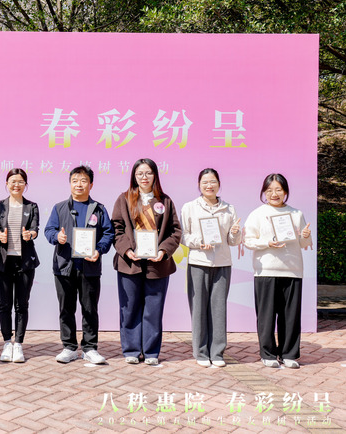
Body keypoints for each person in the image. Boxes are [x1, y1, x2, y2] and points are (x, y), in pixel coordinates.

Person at [111, 158, 181, 366]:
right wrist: (126, 249)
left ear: (155, 176)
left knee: (153, 310)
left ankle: (151, 352)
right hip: (129, 263)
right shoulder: (124, 199)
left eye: (148, 173)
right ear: (134, 176)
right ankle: (131, 350)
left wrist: (163, 251)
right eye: (140, 173)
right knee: (129, 309)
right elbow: (117, 228)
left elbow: (175, 231)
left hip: (157, 264)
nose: (144, 177)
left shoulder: (165, 201)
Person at [44, 165, 114, 364]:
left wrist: (99, 250)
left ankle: (90, 348)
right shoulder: (59, 207)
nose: (79, 184)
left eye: (83, 181)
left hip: (89, 267)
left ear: (91, 184)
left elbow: (108, 233)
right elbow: (49, 230)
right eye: (75, 181)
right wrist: (57, 237)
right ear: (70, 184)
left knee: (89, 309)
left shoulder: (99, 209)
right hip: (64, 266)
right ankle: (69, 347)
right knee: (66, 309)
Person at [244, 173, 312, 369]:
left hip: (292, 270)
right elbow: (248, 241)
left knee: (290, 316)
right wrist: (267, 243)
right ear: (264, 192)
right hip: (266, 271)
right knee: (266, 316)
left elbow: (304, 243)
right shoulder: (257, 214)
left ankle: (289, 354)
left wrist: (305, 235)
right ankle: (268, 354)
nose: (274, 194)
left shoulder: (296, 214)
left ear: (285, 192)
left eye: (278, 190)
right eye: (269, 190)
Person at [180, 168, 241, 368]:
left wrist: (235, 232)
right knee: (198, 308)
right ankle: (200, 352)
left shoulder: (229, 209)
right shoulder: (190, 207)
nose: (209, 185)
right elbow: (184, 236)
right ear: (199, 185)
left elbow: (233, 241)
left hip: (222, 263)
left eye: (213, 181)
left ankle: (217, 352)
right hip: (198, 262)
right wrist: (199, 243)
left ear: (219, 184)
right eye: (205, 182)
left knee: (218, 308)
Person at [0, 168, 40, 363]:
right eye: (13, 181)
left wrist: (30, 235)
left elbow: (35, 228)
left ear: (25, 185)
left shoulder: (32, 206)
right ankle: (6, 343)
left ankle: (18, 344)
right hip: (3, 262)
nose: (16, 185)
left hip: (24, 262)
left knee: (22, 304)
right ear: (7, 184)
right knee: (4, 304)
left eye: (20, 181)